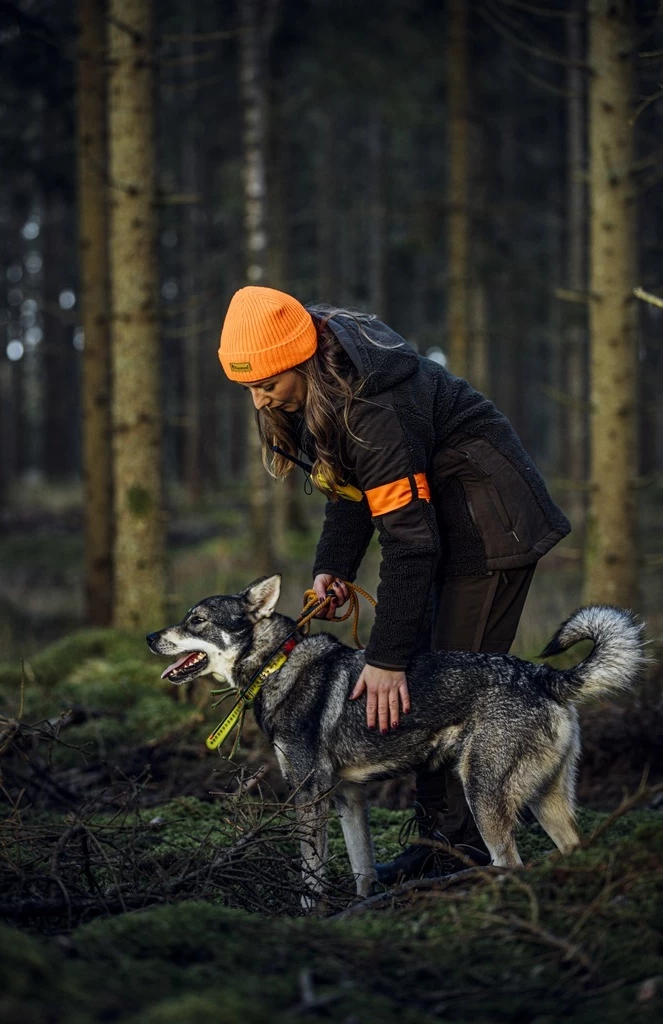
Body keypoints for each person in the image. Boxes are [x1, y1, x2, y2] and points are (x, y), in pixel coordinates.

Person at [218, 285, 570, 882]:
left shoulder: (374, 406)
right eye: (248, 388)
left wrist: (385, 658)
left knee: (447, 684)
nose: (259, 402)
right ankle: (443, 848)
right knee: (429, 673)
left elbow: (409, 540)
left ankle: (458, 861)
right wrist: (334, 566)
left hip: (490, 529)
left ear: (300, 361)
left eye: (268, 385)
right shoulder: (323, 382)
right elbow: (350, 493)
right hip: (439, 528)